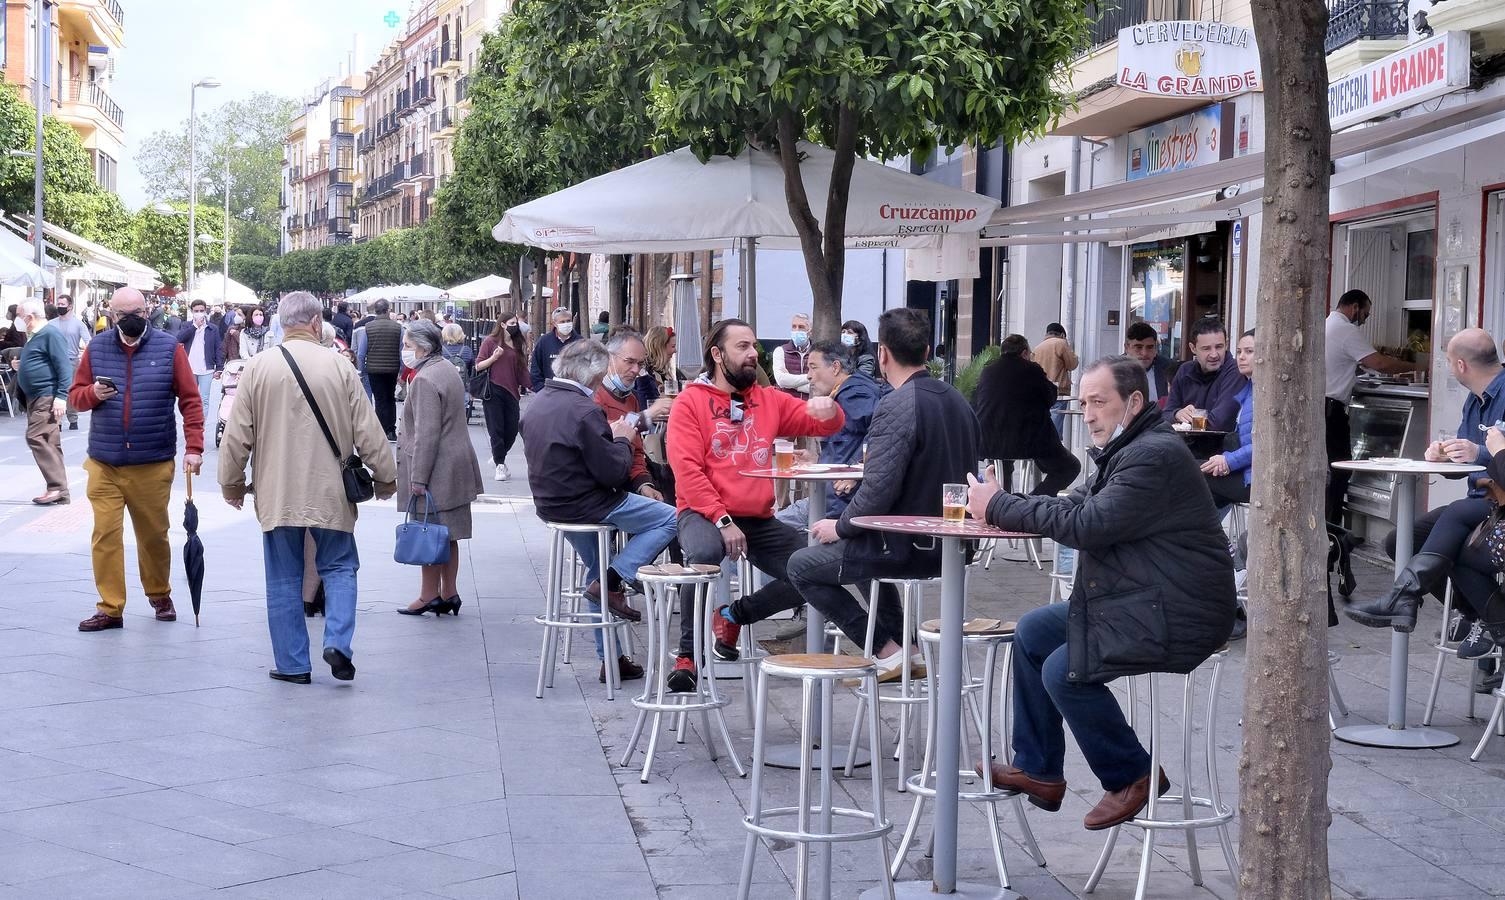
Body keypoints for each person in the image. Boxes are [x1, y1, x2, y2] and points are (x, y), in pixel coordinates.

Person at [965, 354, 1236, 831]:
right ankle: (1038, 769)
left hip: (1179, 611)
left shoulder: (1152, 455)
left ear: (1133, 402)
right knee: (1031, 631)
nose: (1087, 414)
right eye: (1083, 402)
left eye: (1098, 402)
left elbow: (1088, 524)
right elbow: (1074, 503)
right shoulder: (1128, 449)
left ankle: (1133, 774)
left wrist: (1002, 504)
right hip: (1141, 597)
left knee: (1062, 669)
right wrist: (1002, 505)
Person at [770, 310, 978, 680]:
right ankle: (907, 649)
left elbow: (878, 489)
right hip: (950, 544)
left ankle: (885, 649)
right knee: (860, 560)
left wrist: (842, 527)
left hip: (906, 547)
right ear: (927, 350)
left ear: (882, 354)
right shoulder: (957, 400)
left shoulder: (896, 404)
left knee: (801, 566)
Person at [218, 292, 397, 683]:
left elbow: (236, 435)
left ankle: (293, 664)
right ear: (317, 323)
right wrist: (385, 475)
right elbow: (368, 428)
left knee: (283, 577)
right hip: (330, 489)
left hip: (277, 491)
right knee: (340, 566)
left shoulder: (258, 368)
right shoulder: (339, 366)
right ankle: (337, 642)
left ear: (282, 323)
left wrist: (231, 483)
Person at [665, 317, 844, 692]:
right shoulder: (689, 403)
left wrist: (830, 411)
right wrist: (723, 519)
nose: (753, 354)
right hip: (704, 513)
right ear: (717, 354)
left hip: (758, 519)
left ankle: (733, 616)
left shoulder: (768, 399)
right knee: (702, 554)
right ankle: (687, 657)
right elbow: (688, 473)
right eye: (742, 347)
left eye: (754, 347)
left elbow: (821, 425)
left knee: (814, 568)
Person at [520, 340, 676, 684]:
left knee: (596, 571)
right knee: (671, 518)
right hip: (588, 503)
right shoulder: (585, 408)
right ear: (596, 372)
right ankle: (613, 581)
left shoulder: (539, 402)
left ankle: (611, 656)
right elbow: (612, 472)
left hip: (551, 504)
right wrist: (621, 438)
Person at [1346, 328, 1505, 637]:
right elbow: (1467, 463)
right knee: (1400, 541)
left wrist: (1480, 451)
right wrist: (1445, 458)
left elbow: (1494, 457)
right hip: (1476, 502)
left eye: (1447, 360)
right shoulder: (1474, 400)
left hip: (1496, 503)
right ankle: (1473, 611)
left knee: (1455, 530)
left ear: (1460, 365)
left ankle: (1407, 600)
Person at [68, 287, 206, 632]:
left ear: (148, 312)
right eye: (122, 314)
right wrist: (91, 394)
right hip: (105, 461)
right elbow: (75, 397)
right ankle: (110, 607)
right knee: (105, 535)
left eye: (138, 313)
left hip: (152, 461)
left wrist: (194, 447)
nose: (131, 319)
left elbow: (190, 401)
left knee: (153, 535)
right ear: (111, 315)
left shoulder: (169, 349)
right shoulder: (97, 348)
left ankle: (159, 593)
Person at [395, 319, 484, 617]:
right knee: (449, 534)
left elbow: (426, 434)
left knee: (428, 533)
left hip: (437, 469)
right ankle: (450, 592)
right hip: (457, 463)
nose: (405, 351)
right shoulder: (446, 369)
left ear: (422, 346)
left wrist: (418, 478)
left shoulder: (424, 379)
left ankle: (428, 595)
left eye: (407, 345)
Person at [1324, 289, 1418, 522]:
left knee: (1331, 469)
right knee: (1341, 468)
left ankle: (1330, 525)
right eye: (1366, 314)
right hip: (1331, 410)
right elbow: (1379, 363)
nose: (1365, 319)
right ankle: (1333, 526)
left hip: (1322, 407)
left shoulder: (1327, 324)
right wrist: (1415, 367)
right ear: (1355, 307)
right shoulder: (1346, 329)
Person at [774, 339, 882, 529]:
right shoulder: (846, 392)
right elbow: (847, 446)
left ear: (835, 367)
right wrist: (817, 462)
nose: (808, 376)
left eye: (813, 367)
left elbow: (881, 432)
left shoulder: (855, 393)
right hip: (832, 500)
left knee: (766, 532)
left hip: (837, 507)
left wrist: (859, 470)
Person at [974, 334, 1081, 496]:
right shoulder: (1032, 369)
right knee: (1070, 466)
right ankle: (1030, 501)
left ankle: (1002, 501)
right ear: (1024, 353)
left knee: (1002, 466)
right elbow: (1050, 397)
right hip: (1029, 441)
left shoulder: (987, 371)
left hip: (989, 441)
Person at [595, 329, 672, 503]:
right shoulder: (594, 393)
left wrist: (643, 484)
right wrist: (647, 415)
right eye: (629, 362)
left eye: (640, 364)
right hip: (600, 489)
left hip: (624, 484)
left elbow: (636, 451)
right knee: (669, 520)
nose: (636, 370)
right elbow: (607, 433)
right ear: (609, 359)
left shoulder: (630, 398)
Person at [15, 301, 71, 505]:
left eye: (20, 315)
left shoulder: (50, 334)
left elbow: (64, 366)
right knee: (49, 441)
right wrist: (21, 365)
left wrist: (62, 396)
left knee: (36, 436)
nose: (17, 319)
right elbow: (41, 361)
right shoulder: (35, 335)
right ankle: (60, 491)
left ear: (30, 316)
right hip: (35, 396)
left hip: (46, 395)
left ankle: (57, 487)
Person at [1199, 330, 1256, 508]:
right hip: (1246, 471)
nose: (1241, 357)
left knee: (1190, 472)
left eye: (1249, 351)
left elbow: (1267, 445)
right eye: (1239, 352)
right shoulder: (1250, 388)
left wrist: (1228, 461)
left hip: (1258, 481)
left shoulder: (1267, 394)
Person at [1163, 317, 1246, 432]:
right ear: (1193, 348)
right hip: (1182, 446)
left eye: (1219, 347)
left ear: (1226, 344)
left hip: (1221, 448)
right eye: (1206, 349)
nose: (1214, 354)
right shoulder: (1184, 370)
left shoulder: (1235, 371)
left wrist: (1184, 422)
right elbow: (1165, 415)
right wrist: (1177, 414)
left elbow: (1219, 422)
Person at [476, 311, 531, 481]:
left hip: (512, 392)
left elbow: (521, 370)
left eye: (517, 323)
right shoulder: (490, 342)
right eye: (512, 323)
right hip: (493, 390)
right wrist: (494, 357)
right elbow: (478, 365)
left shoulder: (517, 343)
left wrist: (535, 385)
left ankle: (498, 456)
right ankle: (500, 465)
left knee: (513, 430)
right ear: (503, 324)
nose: (515, 326)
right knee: (496, 429)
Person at [363, 298, 404, 441]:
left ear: (375, 310)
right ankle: (391, 430)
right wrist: (402, 371)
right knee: (390, 398)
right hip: (392, 369)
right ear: (388, 310)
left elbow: (362, 352)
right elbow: (401, 351)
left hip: (374, 369)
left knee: (379, 399)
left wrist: (361, 370)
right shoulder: (398, 328)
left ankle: (379, 430)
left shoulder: (368, 327)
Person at [50, 294, 91, 430]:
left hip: (72, 361)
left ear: (70, 306)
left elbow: (88, 342)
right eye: (59, 304)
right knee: (56, 390)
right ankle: (58, 421)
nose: (60, 306)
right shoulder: (51, 324)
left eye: (63, 304)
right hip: (54, 361)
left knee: (70, 391)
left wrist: (87, 359)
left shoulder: (79, 324)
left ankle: (73, 418)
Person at [177, 299, 224, 413]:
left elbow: (218, 348)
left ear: (205, 311)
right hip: (190, 368)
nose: (199, 313)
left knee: (204, 400)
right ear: (192, 311)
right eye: (196, 310)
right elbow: (179, 338)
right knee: (190, 398)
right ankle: (191, 422)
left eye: (201, 310)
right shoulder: (186, 325)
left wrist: (219, 368)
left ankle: (201, 427)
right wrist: (194, 326)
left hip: (206, 369)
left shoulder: (212, 328)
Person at [1034, 322, 1079, 436]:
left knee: (1044, 424)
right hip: (1059, 391)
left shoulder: (1037, 348)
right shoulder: (1061, 343)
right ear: (1062, 335)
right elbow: (1072, 364)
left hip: (1041, 392)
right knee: (1055, 428)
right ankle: (1050, 451)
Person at [529, 306, 582, 391]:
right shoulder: (544, 342)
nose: (566, 324)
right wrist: (541, 390)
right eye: (562, 322)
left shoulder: (580, 342)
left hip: (574, 393)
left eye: (568, 321)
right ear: (554, 323)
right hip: (549, 393)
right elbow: (535, 369)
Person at [1124, 322, 1172, 410]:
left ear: (1156, 348)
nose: (1144, 353)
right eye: (1138, 347)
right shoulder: (1113, 371)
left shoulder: (1168, 368)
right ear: (1127, 347)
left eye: (1149, 347)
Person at [772, 312, 812, 397]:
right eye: (794, 327)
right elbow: (781, 380)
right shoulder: (781, 351)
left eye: (801, 327)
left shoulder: (816, 353)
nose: (797, 330)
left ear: (810, 331)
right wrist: (810, 377)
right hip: (787, 405)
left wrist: (792, 385)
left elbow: (818, 386)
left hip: (809, 405)